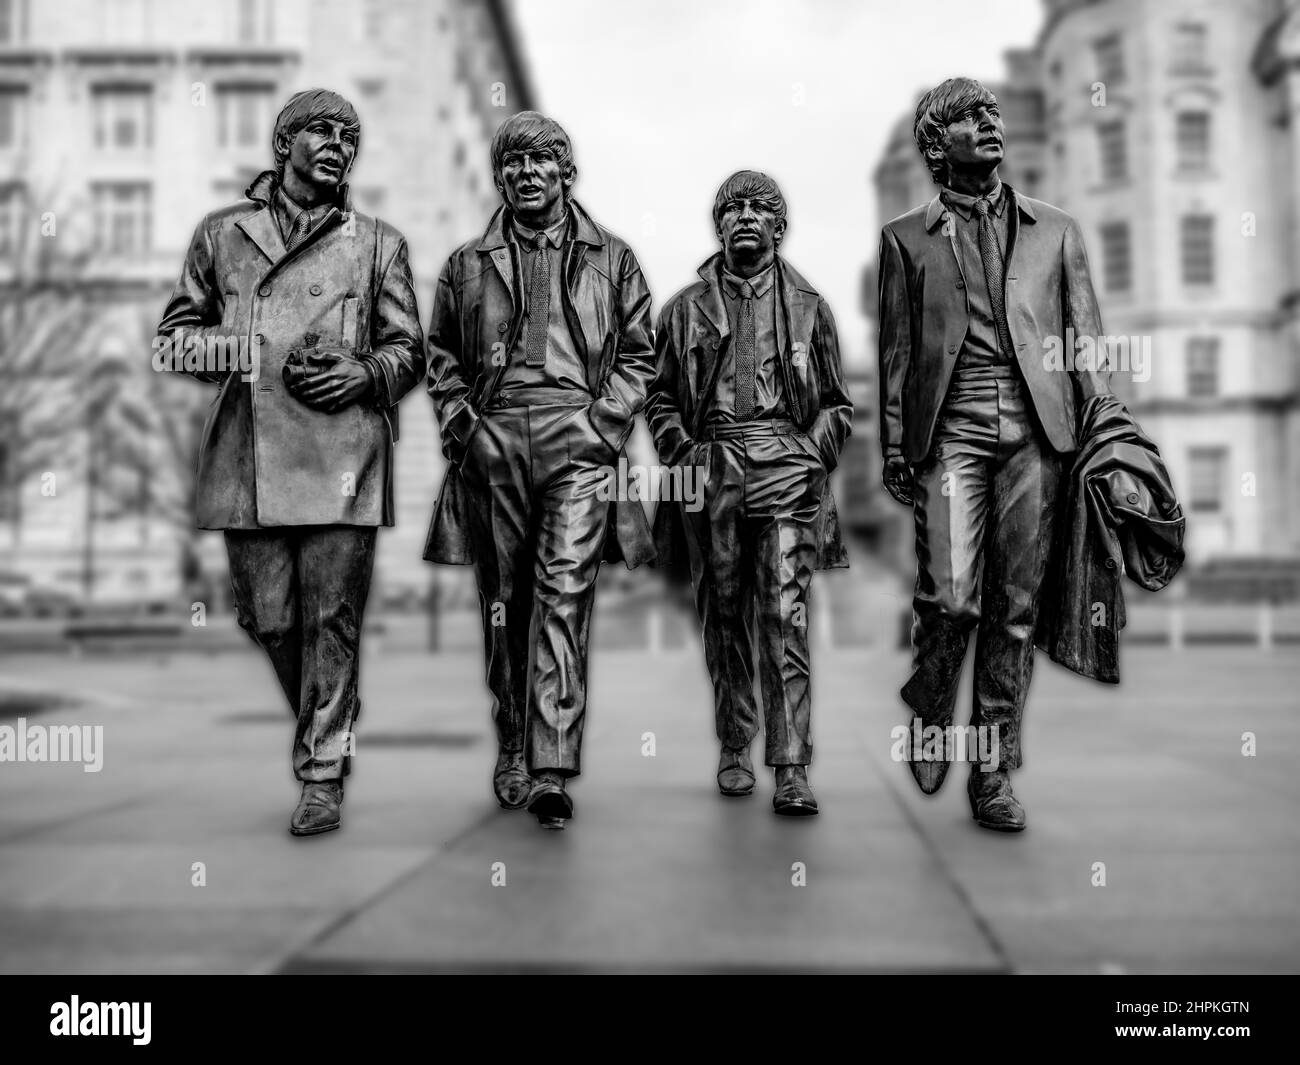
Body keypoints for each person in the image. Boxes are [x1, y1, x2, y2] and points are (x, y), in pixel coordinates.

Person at [158, 89, 424, 836]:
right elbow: (174, 335)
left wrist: (366, 374)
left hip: (343, 455)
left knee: (332, 620)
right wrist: (239, 348)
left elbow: (411, 350)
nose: (340, 143)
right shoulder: (222, 235)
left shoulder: (378, 243)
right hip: (249, 457)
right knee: (269, 617)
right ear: (284, 145)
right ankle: (326, 707)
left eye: (351, 135)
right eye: (323, 130)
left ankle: (321, 771)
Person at [876, 77, 1110, 831]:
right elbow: (898, 354)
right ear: (937, 144)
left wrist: (1102, 427)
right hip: (951, 427)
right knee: (952, 597)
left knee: (1014, 611)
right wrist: (892, 444)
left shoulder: (1057, 231)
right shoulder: (906, 238)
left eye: (993, 114)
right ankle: (931, 700)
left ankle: (993, 770)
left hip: (1038, 432)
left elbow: (1085, 345)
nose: (991, 123)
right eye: (972, 117)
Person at [424, 111, 656, 830]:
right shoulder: (466, 266)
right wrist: (468, 428)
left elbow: (641, 355)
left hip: (578, 440)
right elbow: (441, 361)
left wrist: (601, 424)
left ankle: (553, 765)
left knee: (563, 593)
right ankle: (515, 743)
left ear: (567, 173)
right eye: (514, 162)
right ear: (500, 178)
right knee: (506, 604)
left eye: (542, 160)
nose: (527, 173)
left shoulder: (613, 259)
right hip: (497, 440)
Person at [646, 171, 853, 816]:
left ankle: (791, 764)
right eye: (731, 208)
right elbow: (659, 398)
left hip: (785, 462)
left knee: (783, 612)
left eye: (759, 208)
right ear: (718, 225)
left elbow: (836, 405)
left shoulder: (811, 308)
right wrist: (684, 449)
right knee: (724, 610)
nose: (743, 217)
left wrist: (810, 457)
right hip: (712, 466)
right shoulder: (683, 309)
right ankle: (735, 742)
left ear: (778, 227)